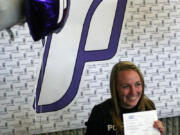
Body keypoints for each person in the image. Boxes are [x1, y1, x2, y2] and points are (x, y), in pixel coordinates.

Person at [85, 61, 164, 135]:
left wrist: (158, 132)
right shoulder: (100, 112)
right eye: (126, 86)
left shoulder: (148, 106)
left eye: (137, 84)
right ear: (115, 88)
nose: (133, 92)